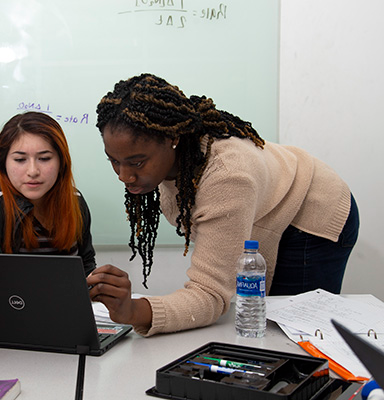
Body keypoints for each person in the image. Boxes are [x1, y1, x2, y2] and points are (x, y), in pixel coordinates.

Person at [87, 73, 359, 337]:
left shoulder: (226, 176)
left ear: (173, 140)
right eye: (113, 160)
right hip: (270, 201)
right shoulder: (169, 155)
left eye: (136, 162)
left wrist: (134, 311)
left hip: (311, 212)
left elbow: (211, 294)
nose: (124, 176)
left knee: (291, 332)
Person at [0, 111, 96, 275]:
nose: (33, 171)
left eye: (44, 158)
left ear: (61, 161)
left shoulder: (75, 200)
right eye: (20, 160)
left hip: (66, 300)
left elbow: (86, 265)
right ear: (3, 163)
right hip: (10, 300)